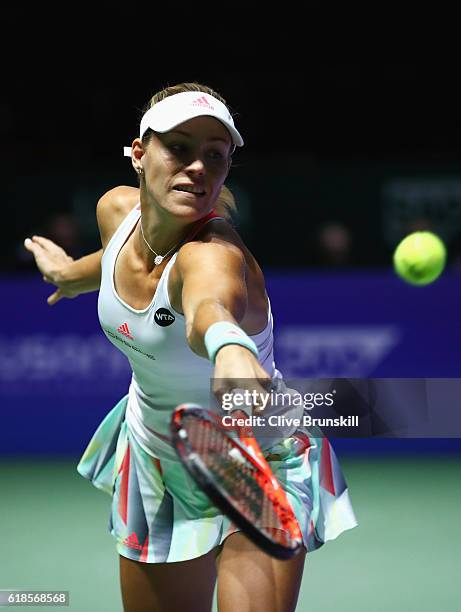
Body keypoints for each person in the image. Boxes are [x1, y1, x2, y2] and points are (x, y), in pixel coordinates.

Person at [25, 82, 357, 612]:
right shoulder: (116, 210)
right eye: (179, 147)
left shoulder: (213, 254)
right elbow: (117, 256)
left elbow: (209, 309)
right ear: (138, 153)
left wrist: (230, 348)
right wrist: (70, 274)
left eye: (214, 156)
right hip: (158, 457)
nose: (198, 166)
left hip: (255, 460)